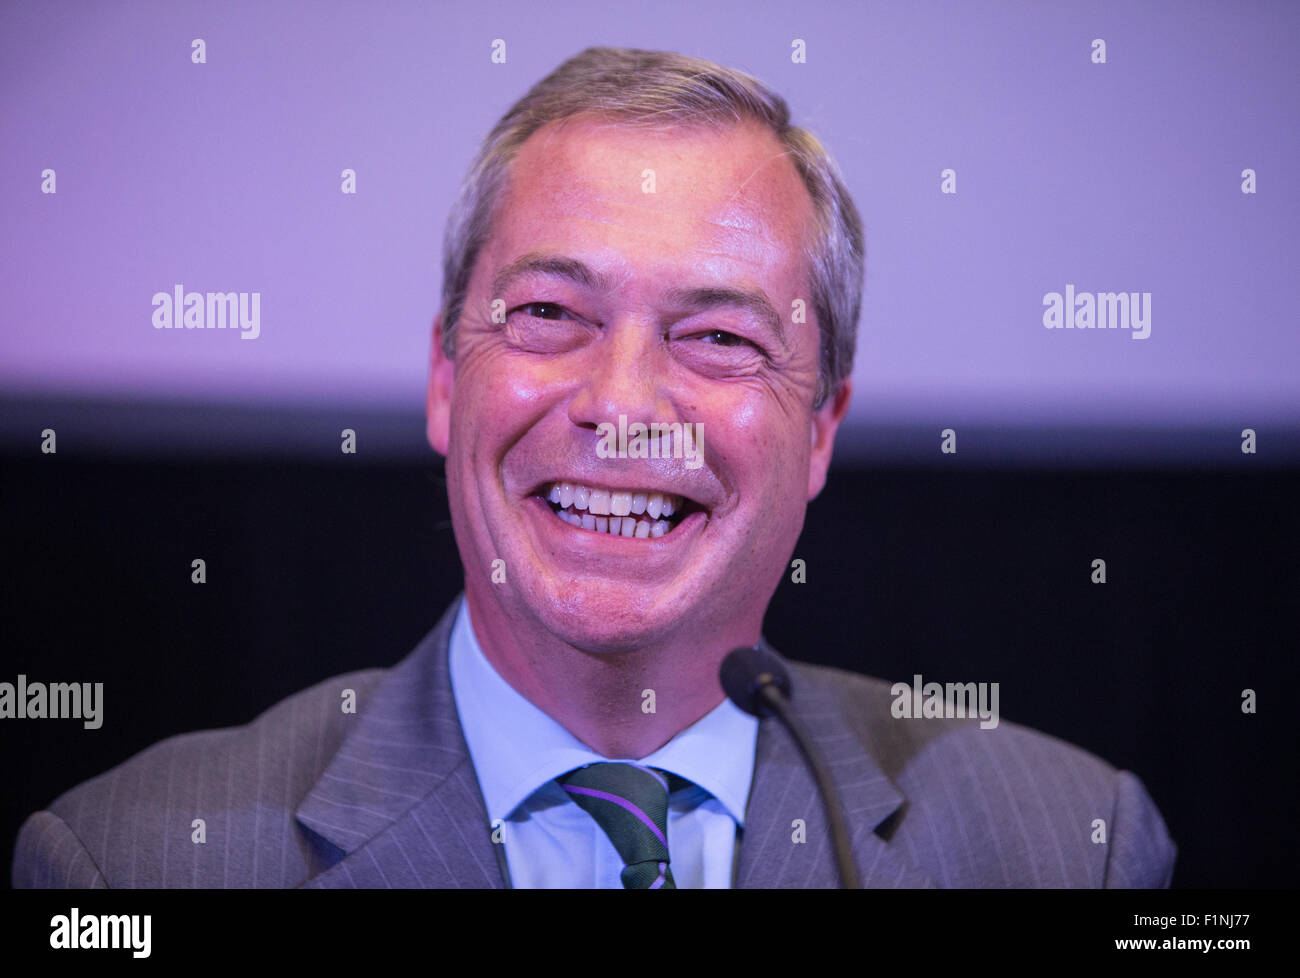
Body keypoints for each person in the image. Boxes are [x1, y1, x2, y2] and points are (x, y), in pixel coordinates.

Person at [12, 46, 1175, 889]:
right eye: (551, 313)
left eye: (718, 337)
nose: (622, 406)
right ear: (441, 380)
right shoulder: (132, 868)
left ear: (819, 430)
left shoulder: (1071, 849)